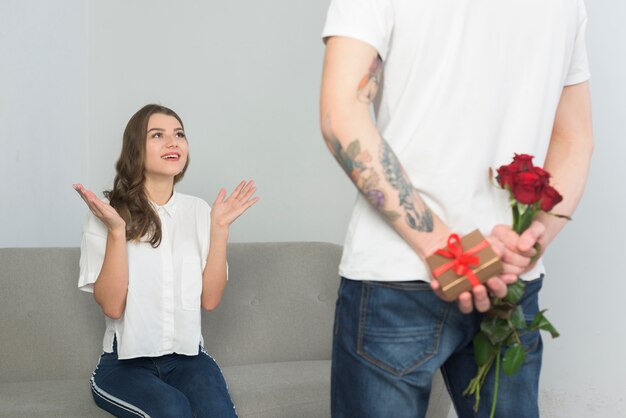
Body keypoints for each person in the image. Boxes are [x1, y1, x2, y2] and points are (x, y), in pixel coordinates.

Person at [320, 0, 593, 417]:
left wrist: (444, 248)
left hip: (401, 269)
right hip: (508, 271)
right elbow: (574, 138)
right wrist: (532, 240)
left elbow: (342, 115)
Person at [74, 104, 258, 417]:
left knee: (217, 412)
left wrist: (220, 231)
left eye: (179, 134)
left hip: (188, 358)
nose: (172, 142)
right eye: (157, 135)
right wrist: (118, 232)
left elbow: (210, 300)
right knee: (173, 410)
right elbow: (112, 306)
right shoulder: (106, 213)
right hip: (123, 365)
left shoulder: (200, 211)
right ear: (136, 149)